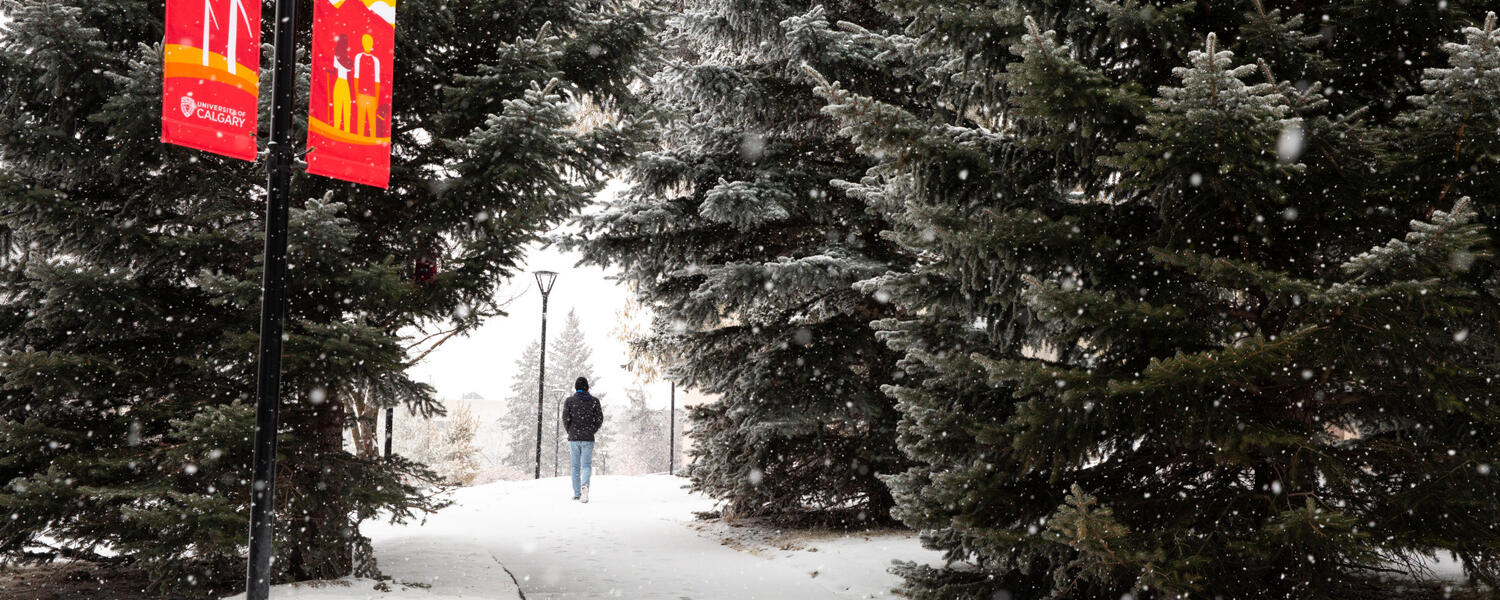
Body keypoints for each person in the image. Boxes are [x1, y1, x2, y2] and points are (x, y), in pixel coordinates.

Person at [562, 377, 603, 502]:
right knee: (586, 465)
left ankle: (577, 493)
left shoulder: (570, 401)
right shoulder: (594, 401)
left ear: (576, 387)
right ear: (587, 387)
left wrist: (570, 431)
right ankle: (585, 484)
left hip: (574, 438)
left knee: (575, 466)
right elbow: (599, 419)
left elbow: (565, 419)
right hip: (588, 438)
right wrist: (592, 430)